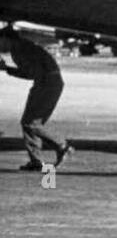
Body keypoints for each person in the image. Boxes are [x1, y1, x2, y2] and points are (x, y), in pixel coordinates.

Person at [0, 28, 73, 170]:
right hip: (49, 82)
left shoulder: (19, 49)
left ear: (6, 39)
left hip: (46, 83)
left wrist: (7, 69)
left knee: (31, 124)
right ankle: (36, 161)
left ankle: (61, 146)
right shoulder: (24, 46)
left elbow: (30, 73)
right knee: (29, 123)